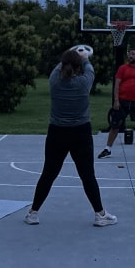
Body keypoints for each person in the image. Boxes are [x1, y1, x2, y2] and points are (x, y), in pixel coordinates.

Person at [26, 47, 117, 227]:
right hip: (80, 133)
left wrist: (70, 53)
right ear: (78, 67)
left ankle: (33, 213)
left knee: (48, 174)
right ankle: (100, 215)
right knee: (87, 176)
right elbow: (88, 66)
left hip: (57, 132)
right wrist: (84, 57)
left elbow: (59, 67)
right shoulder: (84, 82)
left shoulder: (53, 81)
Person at [97, 48, 135, 159]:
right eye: (129, 54)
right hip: (122, 102)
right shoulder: (122, 69)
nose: (130, 56)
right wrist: (116, 101)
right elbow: (116, 85)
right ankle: (107, 149)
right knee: (115, 126)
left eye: (133, 54)